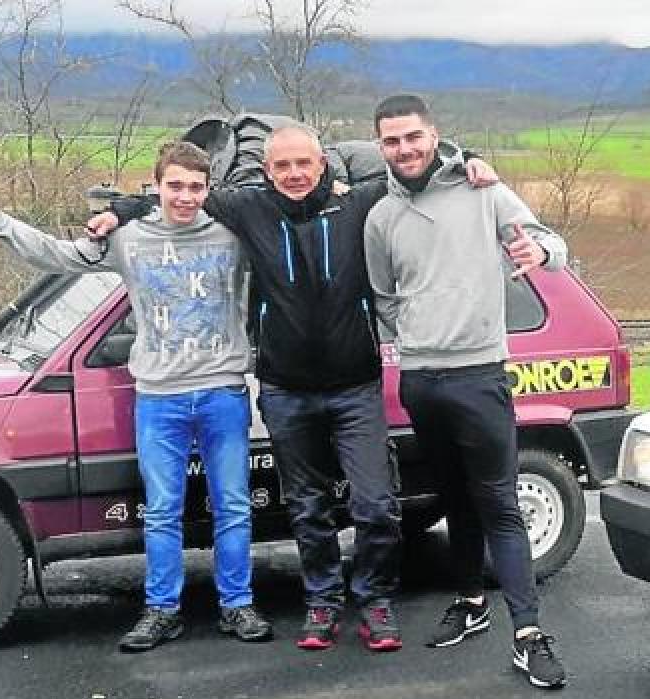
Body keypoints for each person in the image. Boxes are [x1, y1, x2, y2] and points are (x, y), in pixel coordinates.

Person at [89, 122, 498, 653]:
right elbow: (177, 194)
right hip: (285, 389)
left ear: (322, 164)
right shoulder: (246, 209)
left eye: (304, 164)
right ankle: (322, 604)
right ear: (267, 171)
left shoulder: (359, 205)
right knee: (307, 508)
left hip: (355, 387)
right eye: (282, 166)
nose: (294, 174)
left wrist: (468, 158)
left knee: (376, 505)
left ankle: (374, 601)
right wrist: (119, 211)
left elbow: (411, 168)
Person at [0, 140, 273, 653]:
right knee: (162, 509)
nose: (186, 197)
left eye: (197, 187)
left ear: (208, 190)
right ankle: (162, 610)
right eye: (176, 186)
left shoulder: (232, 237)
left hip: (222, 390)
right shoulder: (130, 240)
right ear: (157, 187)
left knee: (234, 505)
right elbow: (59, 256)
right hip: (158, 397)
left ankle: (237, 604)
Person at [364, 93, 569, 689]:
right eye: (391, 141)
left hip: (480, 375)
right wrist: (415, 338)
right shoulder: (381, 217)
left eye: (412, 137)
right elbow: (383, 297)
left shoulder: (484, 192)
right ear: (381, 146)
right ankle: (471, 601)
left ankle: (528, 634)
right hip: (421, 381)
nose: (404, 149)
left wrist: (543, 250)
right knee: (454, 500)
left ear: (434, 136)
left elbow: (551, 246)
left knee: (499, 505)